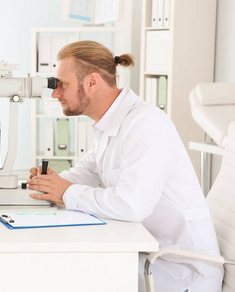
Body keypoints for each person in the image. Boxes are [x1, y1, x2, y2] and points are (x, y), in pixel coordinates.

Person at [27, 41, 223, 292]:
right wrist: (51, 182)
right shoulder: (109, 124)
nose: (55, 93)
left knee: (69, 275)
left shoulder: (145, 124)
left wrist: (65, 191)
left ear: (92, 82)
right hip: (147, 252)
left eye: (62, 84)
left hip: (180, 271)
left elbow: (132, 205)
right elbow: (90, 171)